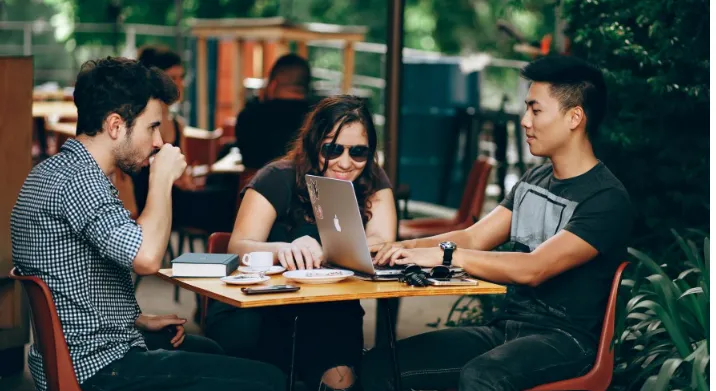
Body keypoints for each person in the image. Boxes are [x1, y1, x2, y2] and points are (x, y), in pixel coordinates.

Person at [11, 56, 285, 391]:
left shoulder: (51, 172)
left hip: (80, 355)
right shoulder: (81, 181)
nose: (158, 141)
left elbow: (68, 280)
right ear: (115, 125)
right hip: (99, 369)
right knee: (268, 380)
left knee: (209, 349)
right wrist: (161, 179)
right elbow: (147, 258)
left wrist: (135, 320)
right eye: (152, 126)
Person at [362, 55, 633, 391]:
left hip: (566, 340)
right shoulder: (536, 178)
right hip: (507, 329)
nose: (524, 120)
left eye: (536, 110)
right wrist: (400, 248)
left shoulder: (605, 198)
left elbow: (534, 268)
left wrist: (448, 255)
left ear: (575, 117)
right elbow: (474, 237)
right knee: (379, 366)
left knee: (482, 376)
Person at [205, 95, 397, 390]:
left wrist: (335, 249)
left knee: (342, 378)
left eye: (359, 152)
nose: (346, 163)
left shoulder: (371, 178)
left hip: (329, 309)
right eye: (333, 150)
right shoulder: (277, 177)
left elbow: (382, 240)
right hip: (261, 308)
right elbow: (238, 246)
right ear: (313, 143)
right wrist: (284, 250)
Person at [132, 45, 237, 234]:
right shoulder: (138, 122)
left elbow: (184, 174)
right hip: (152, 199)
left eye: (181, 78)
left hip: (176, 196)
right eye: (172, 78)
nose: (179, 84)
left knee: (228, 189)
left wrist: (188, 179)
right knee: (228, 200)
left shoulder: (177, 125)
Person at [221, 53, 313, 169]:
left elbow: (248, 161)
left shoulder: (250, 116)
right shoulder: (317, 117)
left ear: (273, 85)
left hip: (258, 185)